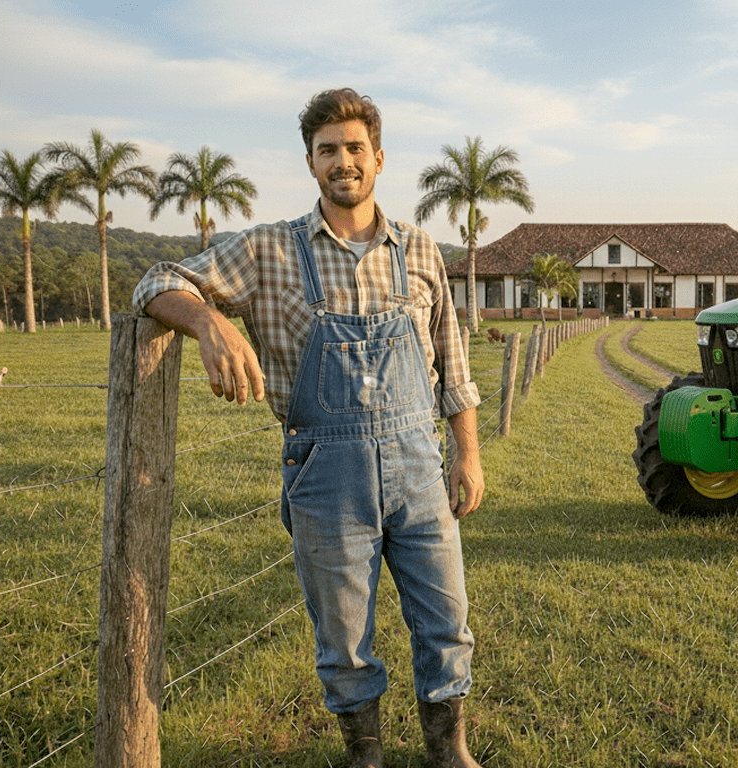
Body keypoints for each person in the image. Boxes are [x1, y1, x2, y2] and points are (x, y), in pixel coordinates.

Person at [133, 87, 485, 768]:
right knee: (344, 636)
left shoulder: (419, 249)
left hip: (420, 465)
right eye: (328, 150)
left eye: (355, 148)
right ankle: (366, 756)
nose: (343, 160)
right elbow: (157, 279)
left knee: (446, 621)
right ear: (310, 163)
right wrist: (209, 320)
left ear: (378, 159)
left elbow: (453, 359)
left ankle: (450, 754)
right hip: (325, 474)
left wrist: (466, 455)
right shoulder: (267, 251)